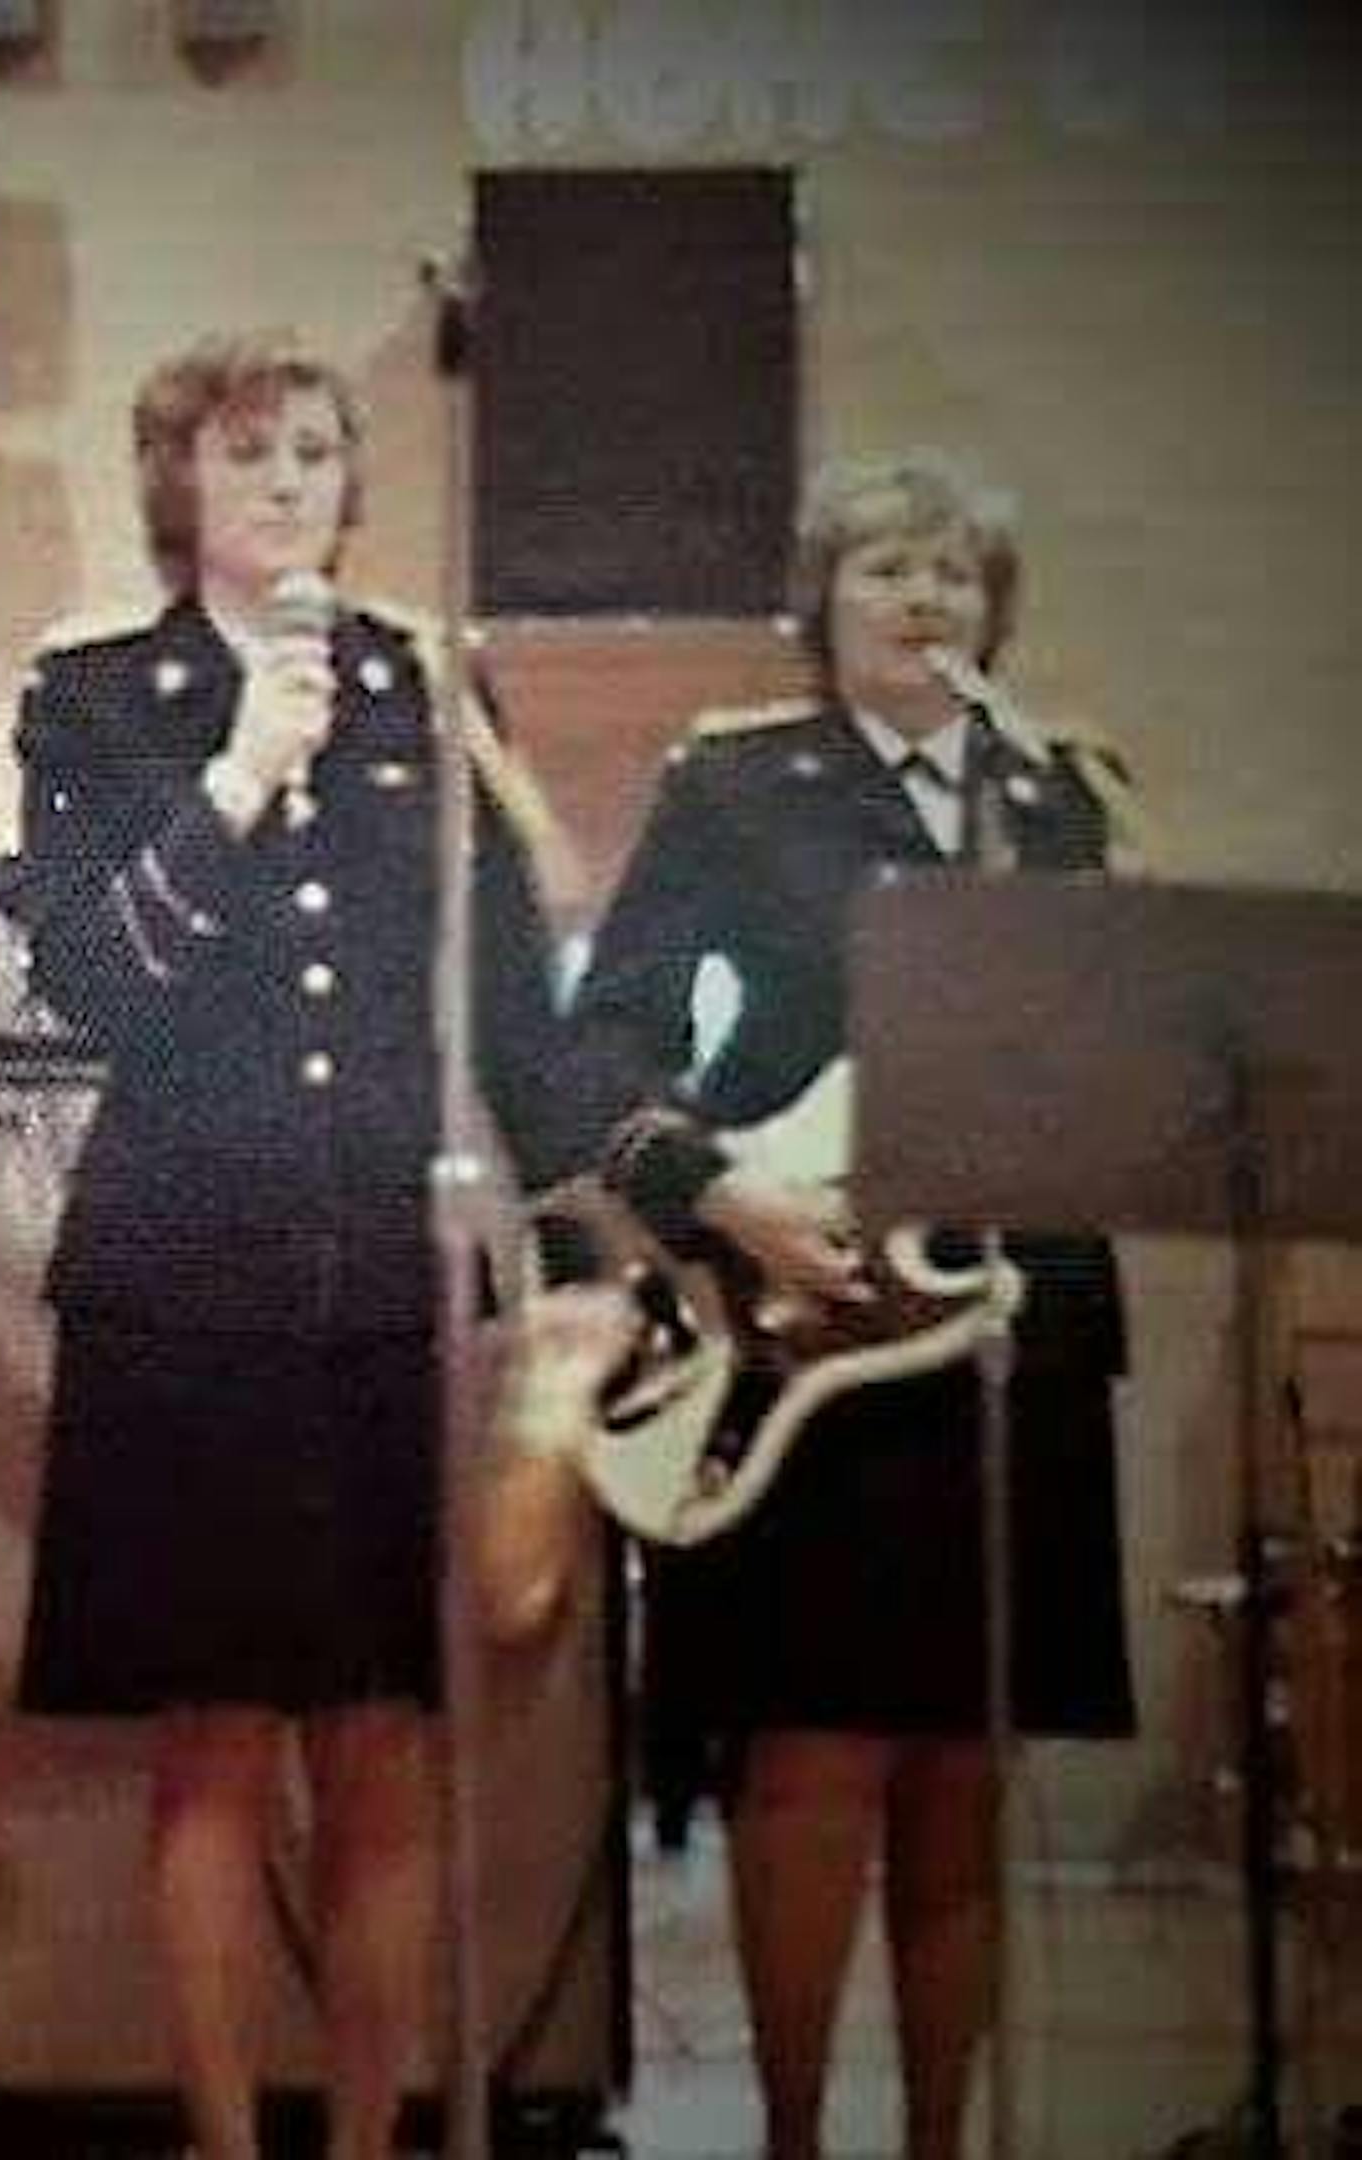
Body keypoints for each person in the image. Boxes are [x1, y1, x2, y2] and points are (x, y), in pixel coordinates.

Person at [7, 331, 568, 2160]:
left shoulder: (429, 686)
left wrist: (599, 1241)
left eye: (315, 453)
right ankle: (225, 2143)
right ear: (177, 485)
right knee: (219, 1746)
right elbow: (88, 983)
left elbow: (509, 1013)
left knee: (388, 1739)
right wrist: (238, 775)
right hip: (185, 1286)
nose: (284, 484)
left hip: (381, 1285)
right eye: (246, 454)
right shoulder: (93, 698)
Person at [564, 451, 1140, 2159]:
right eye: (888, 567)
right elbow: (610, 1039)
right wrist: (716, 1194)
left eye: (957, 573)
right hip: (814, 1327)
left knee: (965, 1767)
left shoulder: (1059, 801)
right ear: (823, 603)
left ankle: (946, 2142)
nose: (924, 598)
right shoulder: (743, 791)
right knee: (813, 1755)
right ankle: (800, 2136)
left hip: (1014, 1317)